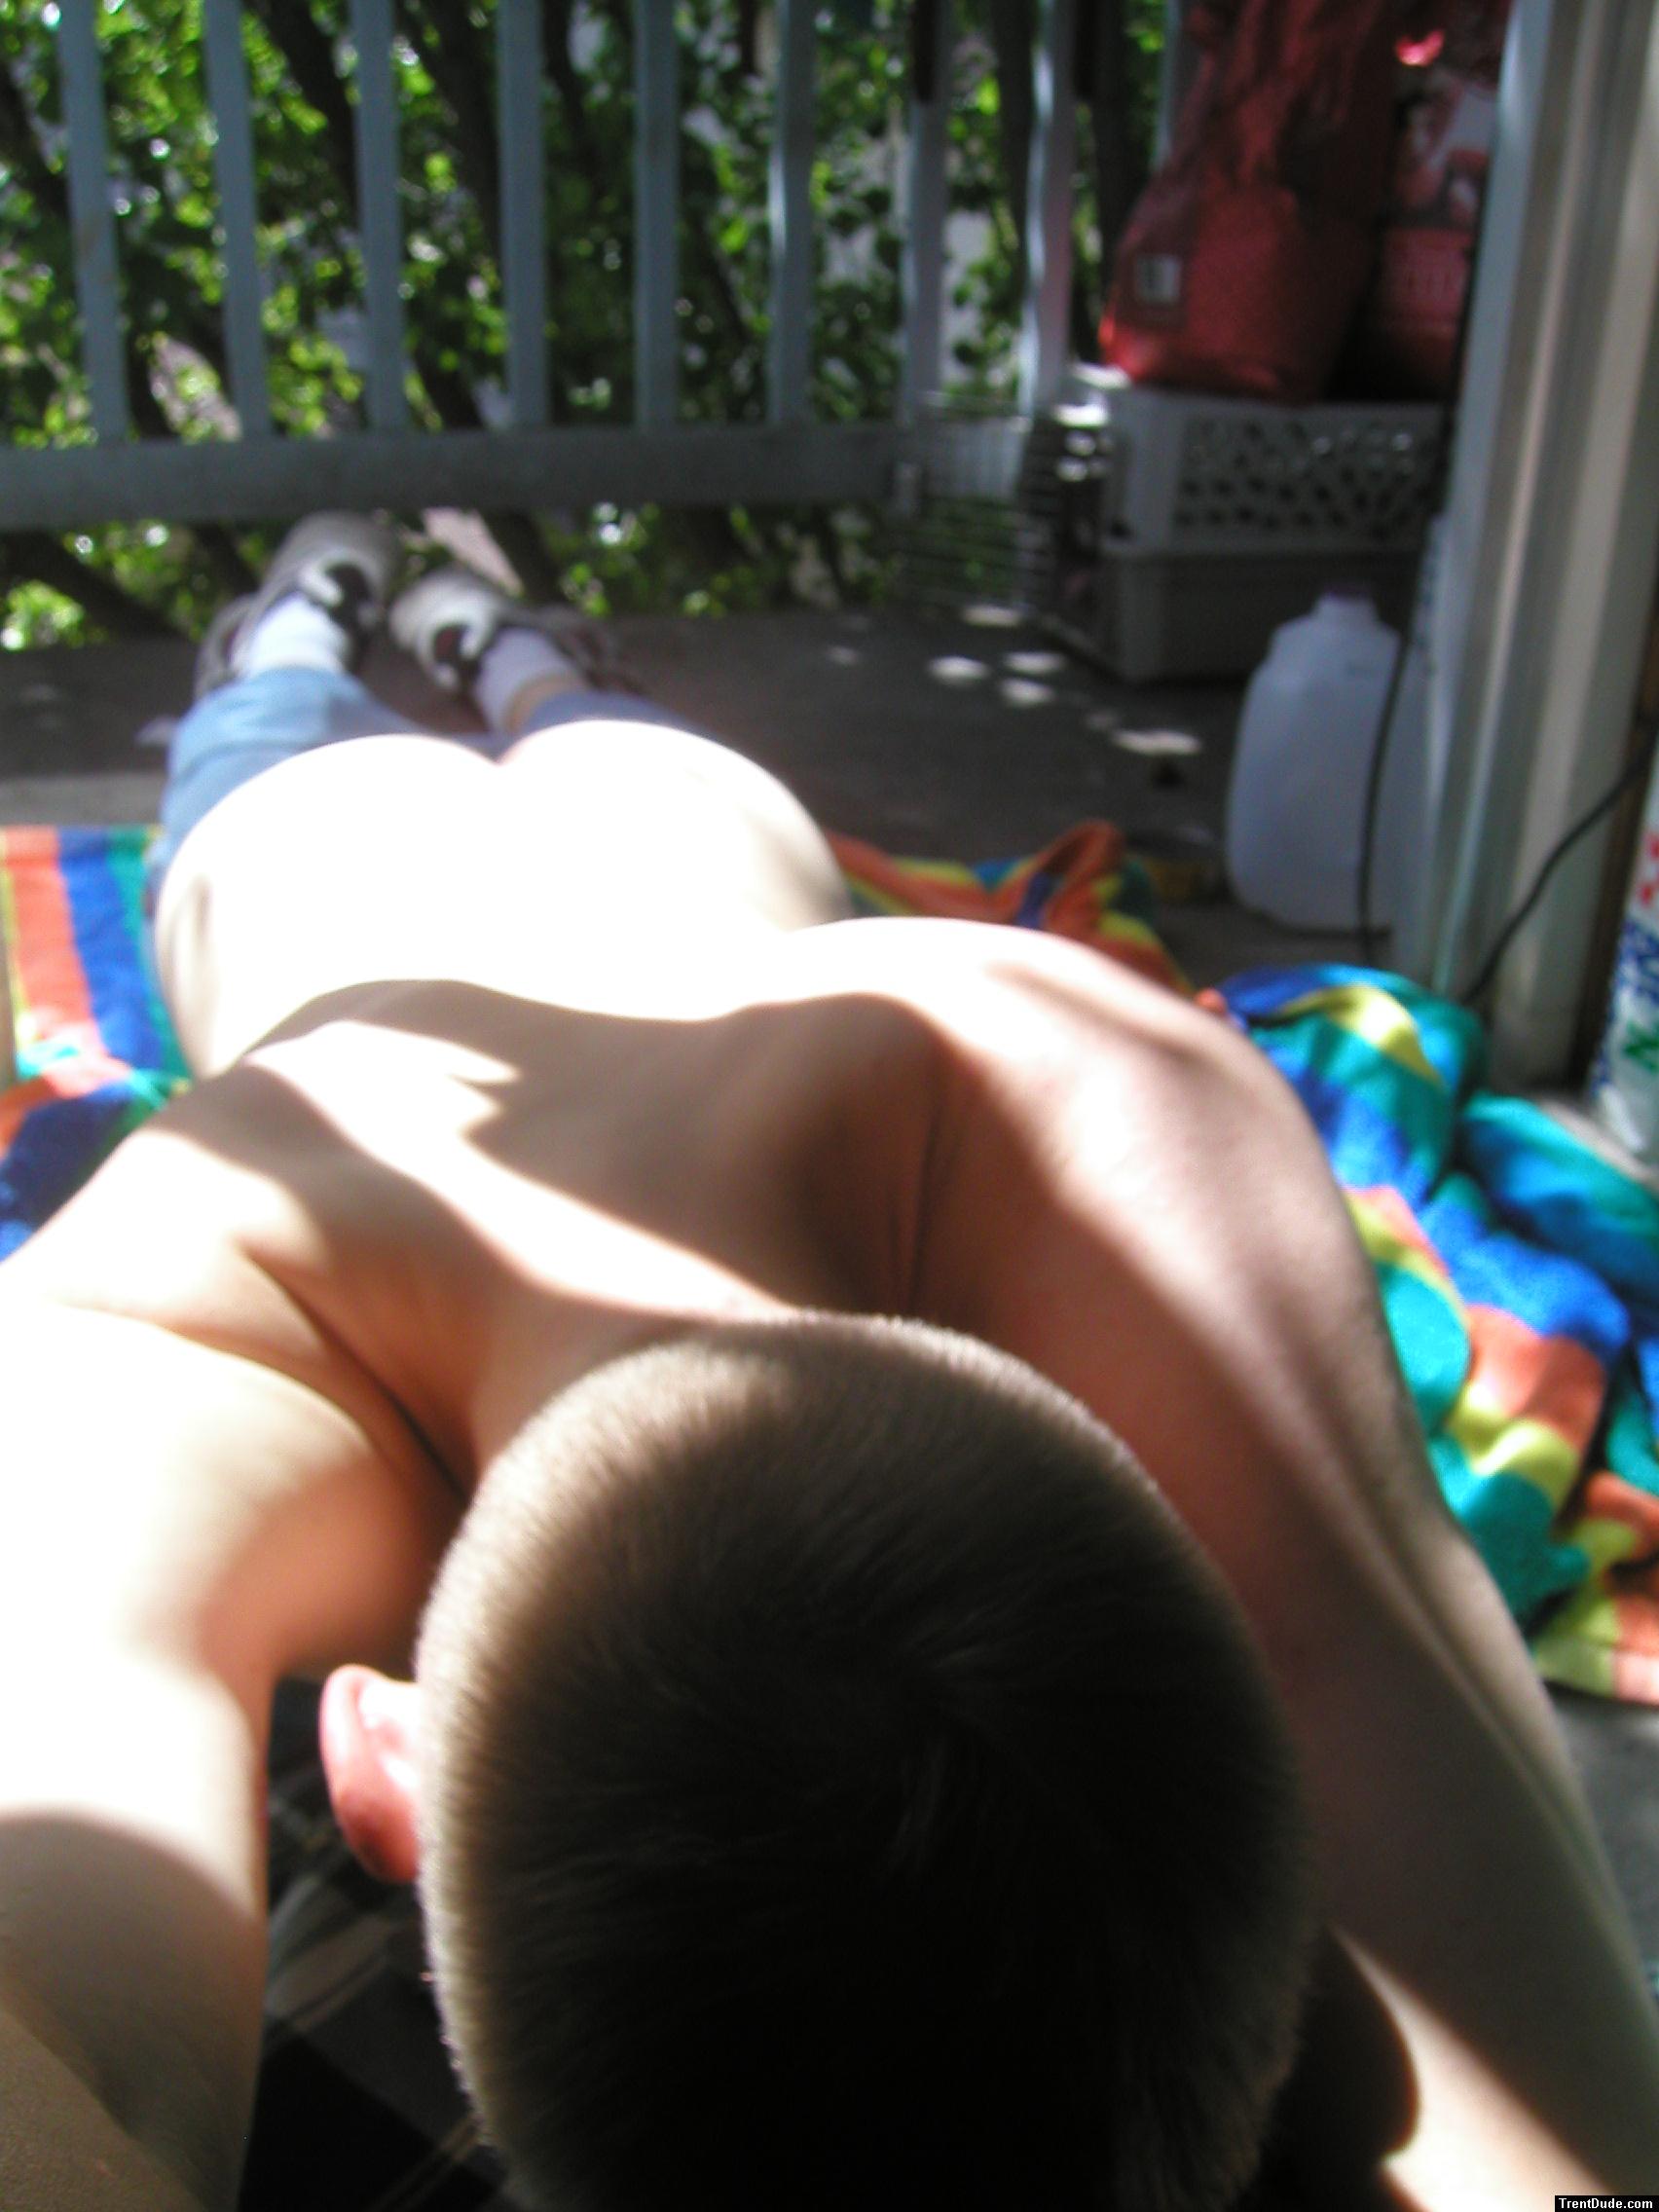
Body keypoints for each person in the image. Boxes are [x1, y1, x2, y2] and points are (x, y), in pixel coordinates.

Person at [0, 513, 1656, 2212]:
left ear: (384, 1773)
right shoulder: (162, 1338)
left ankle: (439, 627)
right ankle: (363, 610)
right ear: (387, 1771)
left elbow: (1504, 2002)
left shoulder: (1091, 1105)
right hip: (325, 846)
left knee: (528, 720)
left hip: (583, 838)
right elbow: (67, 2079)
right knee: (301, 710)